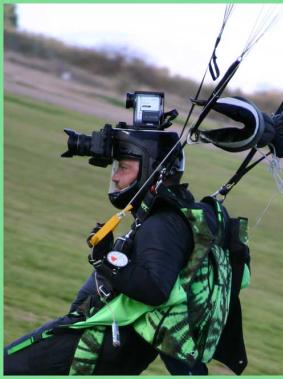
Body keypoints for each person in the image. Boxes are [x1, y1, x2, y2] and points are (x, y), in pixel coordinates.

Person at [4, 125, 251, 375]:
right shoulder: (169, 216)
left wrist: (107, 261)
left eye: (123, 167)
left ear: (150, 171)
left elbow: (155, 289)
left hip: (96, 343)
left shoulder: (162, 224)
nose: (115, 177)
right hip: (111, 346)